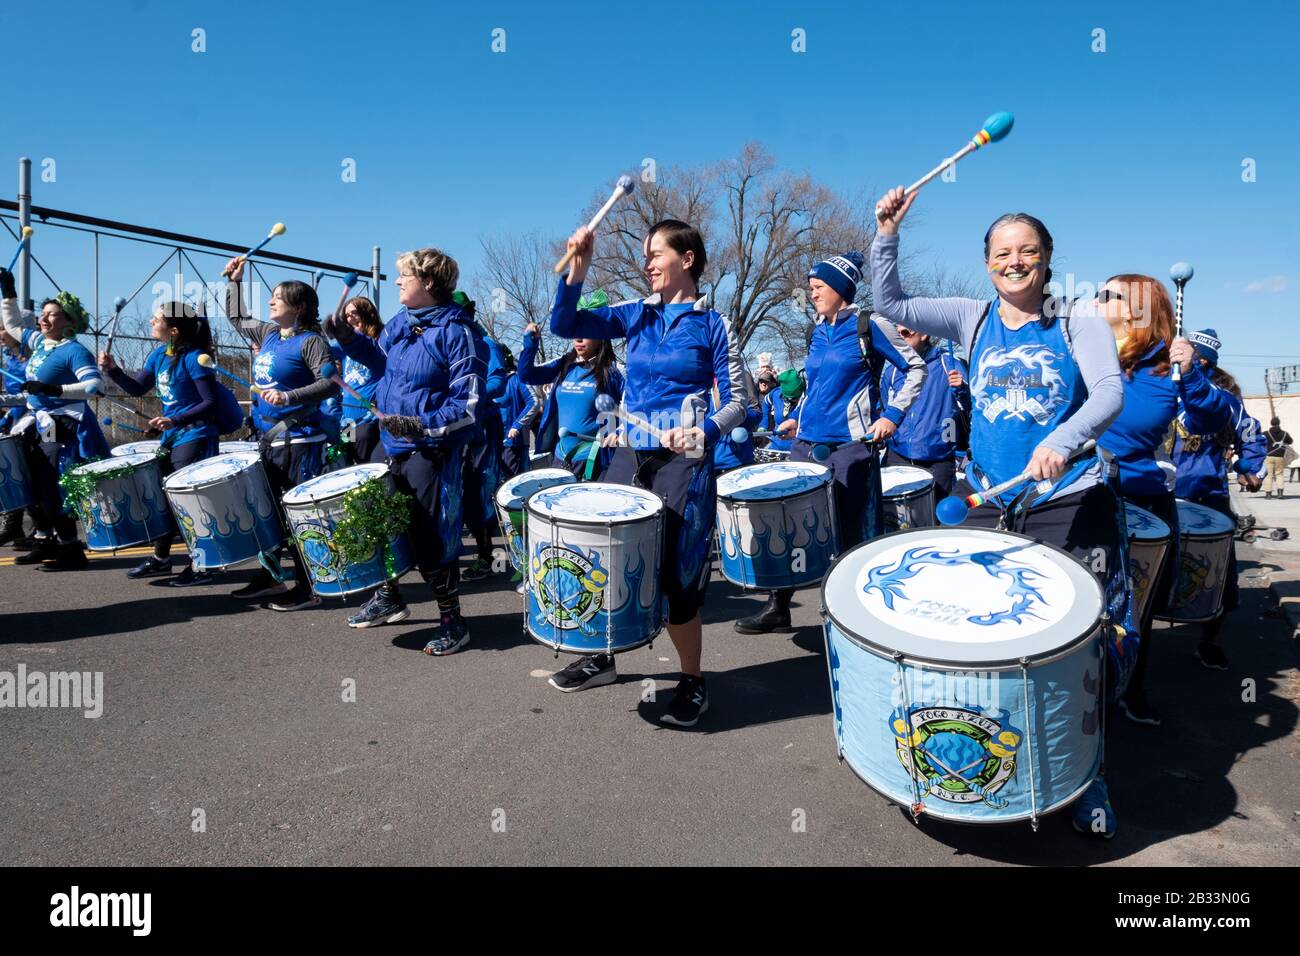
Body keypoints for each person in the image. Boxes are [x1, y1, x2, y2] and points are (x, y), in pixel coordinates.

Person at [872, 190, 1126, 839]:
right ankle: (983, 758)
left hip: (1066, 498)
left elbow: (1107, 392)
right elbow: (892, 305)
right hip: (987, 497)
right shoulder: (971, 317)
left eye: (1028, 252)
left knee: (1076, 644)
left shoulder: (1076, 319)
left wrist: (1062, 441)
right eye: (1002, 253)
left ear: (1046, 260)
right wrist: (887, 236)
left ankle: (1087, 776)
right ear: (988, 263)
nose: (1015, 262)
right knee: (978, 631)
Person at [547, 218, 748, 725]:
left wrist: (706, 432)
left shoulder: (715, 324)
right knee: (607, 557)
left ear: (687, 259)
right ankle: (604, 657)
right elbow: (564, 325)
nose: (646, 263)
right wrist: (579, 268)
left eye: (656, 253)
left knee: (678, 579)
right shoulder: (634, 313)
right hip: (629, 453)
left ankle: (692, 680)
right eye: (644, 255)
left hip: (684, 463)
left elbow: (741, 401)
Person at [737, 252, 926, 635]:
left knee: (853, 531)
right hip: (806, 444)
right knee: (789, 523)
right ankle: (778, 606)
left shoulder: (869, 325)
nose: (812, 295)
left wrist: (892, 416)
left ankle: (858, 619)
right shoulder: (816, 330)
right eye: (811, 289)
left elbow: (915, 368)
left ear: (841, 289)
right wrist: (798, 416)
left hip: (852, 447)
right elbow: (816, 386)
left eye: (818, 288)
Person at [328, 249, 486, 652]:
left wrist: (419, 425)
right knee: (380, 521)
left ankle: (453, 620)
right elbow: (379, 360)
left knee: (432, 536)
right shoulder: (400, 323)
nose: (397, 282)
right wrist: (347, 338)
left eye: (405, 276)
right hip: (391, 445)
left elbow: (467, 409)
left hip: (432, 451)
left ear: (429, 282)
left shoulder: (458, 332)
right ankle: (389, 597)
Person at [1095, 276, 1232, 726]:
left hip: (1141, 498)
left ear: (1139, 309)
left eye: (1109, 295)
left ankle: (1131, 686)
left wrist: (1191, 373)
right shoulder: (1084, 351)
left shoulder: (1167, 366)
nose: (1096, 300)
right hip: (1084, 493)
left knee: (1135, 607)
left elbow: (1213, 417)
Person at [224, 258, 338, 611]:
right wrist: (234, 283)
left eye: (278, 297)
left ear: (299, 307)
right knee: (268, 512)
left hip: (300, 442)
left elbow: (331, 383)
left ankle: (310, 586)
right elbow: (237, 318)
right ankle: (272, 576)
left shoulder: (311, 341)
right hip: (267, 441)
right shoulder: (271, 334)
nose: (271, 302)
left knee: (296, 517)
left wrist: (289, 397)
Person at [98, 301, 223, 586]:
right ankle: (161, 559)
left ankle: (204, 565)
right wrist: (114, 370)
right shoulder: (159, 355)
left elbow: (210, 404)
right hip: (173, 437)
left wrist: (174, 420)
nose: (152, 323)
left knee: (191, 504)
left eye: (157, 320)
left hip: (196, 436)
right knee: (165, 499)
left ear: (174, 330)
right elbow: (138, 388)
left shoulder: (195, 358)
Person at [1171, 329, 1267, 670]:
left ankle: (1209, 641)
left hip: (1205, 494)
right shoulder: (1161, 385)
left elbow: (1252, 436)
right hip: (1156, 493)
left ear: (1204, 362)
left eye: (1192, 356)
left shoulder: (1223, 398)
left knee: (1216, 573)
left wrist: (1250, 467)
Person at [0, 271, 108, 570]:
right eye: (43, 314)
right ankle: (44, 540)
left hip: (61, 425)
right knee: (30, 483)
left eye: (53, 315)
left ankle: (71, 549)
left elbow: (96, 387)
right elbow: (11, 324)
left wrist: (53, 390)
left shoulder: (74, 351)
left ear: (70, 322)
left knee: (51, 486)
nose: (44, 320)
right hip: (37, 423)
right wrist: (7, 292)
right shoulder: (41, 343)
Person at [518, 297, 624, 481]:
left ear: (602, 335)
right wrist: (530, 343)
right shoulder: (564, 364)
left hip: (596, 461)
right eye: (575, 331)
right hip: (561, 458)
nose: (579, 338)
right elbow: (526, 375)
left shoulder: (615, 371)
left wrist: (621, 430)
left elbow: (638, 402)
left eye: (586, 331)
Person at [455, 292, 506, 584]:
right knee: (458, 490)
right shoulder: (451, 343)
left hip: (483, 427)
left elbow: (500, 381)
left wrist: (471, 397)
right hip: (455, 429)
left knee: (479, 490)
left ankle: (487, 557)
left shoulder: (487, 344)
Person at [883, 326, 969, 498]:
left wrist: (963, 389)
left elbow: (972, 406)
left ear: (924, 334)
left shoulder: (948, 363)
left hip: (938, 458)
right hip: (897, 455)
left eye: (906, 333)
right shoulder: (892, 371)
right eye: (896, 333)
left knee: (936, 520)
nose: (900, 337)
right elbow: (886, 410)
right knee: (895, 518)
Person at [336, 296, 384, 464]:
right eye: (347, 315)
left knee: (367, 470)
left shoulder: (379, 344)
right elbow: (321, 347)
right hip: (348, 422)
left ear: (367, 314)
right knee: (346, 468)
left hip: (369, 420)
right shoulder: (343, 349)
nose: (350, 318)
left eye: (354, 313)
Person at [1263, 416, 1293, 498]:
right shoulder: (1285, 434)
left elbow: (1260, 442)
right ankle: (1280, 493)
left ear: (1271, 423)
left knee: (1268, 475)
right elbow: (1290, 441)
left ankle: (1268, 494)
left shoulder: (1266, 434)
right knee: (1279, 474)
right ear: (1279, 423)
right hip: (1280, 457)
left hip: (1268, 456)